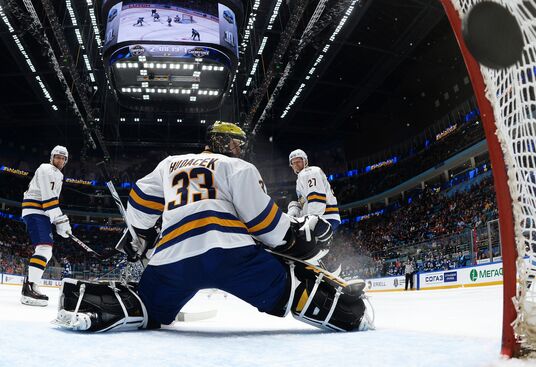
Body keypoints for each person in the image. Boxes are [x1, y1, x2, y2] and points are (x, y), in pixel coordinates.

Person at [55, 122, 373, 333]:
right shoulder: (237, 167)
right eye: (235, 143)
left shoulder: (169, 164)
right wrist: (297, 239)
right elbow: (267, 228)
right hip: (231, 257)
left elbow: (139, 203)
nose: (239, 149)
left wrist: (142, 237)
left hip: (172, 261)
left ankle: (87, 303)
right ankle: (351, 313)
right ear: (220, 141)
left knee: (147, 305)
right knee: (292, 282)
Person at [21, 145, 71, 306]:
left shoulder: (59, 175)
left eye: (63, 158)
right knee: (44, 248)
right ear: (51, 157)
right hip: (36, 210)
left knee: (47, 252)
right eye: (57, 157)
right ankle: (28, 290)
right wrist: (61, 220)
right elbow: (48, 199)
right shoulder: (46, 168)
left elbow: (52, 201)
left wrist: (59, 221)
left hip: (41, 212)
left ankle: (32, 285)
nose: (60, 160)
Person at [287, 149, 341, 231]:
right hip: (324, 217)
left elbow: (316, 198)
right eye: (293, 163)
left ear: (305, 161)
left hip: (324, 217)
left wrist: (311, 220)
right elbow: (305, 201)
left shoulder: (309, 172)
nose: (296, 165)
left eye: (298, 161)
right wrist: (295, 208)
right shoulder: (301, 177)